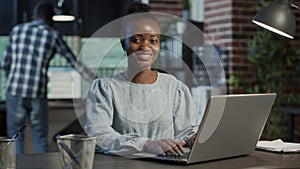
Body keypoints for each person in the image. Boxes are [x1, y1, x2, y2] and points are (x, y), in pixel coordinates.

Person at [84, 12, 201, 157]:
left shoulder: (174, 87)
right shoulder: (104, 88)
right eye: (136, 40)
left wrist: (193, 138)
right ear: (123, 43)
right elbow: (99, 135)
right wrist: (146, 145)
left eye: (153, 41)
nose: (145, 47)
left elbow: (187, 131)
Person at [1, 2, 95, 153]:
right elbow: (74, 63)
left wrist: (10, 80)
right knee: (40, 138)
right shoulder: (52, 35)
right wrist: (96, 80)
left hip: (14, 91)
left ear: (34, 16)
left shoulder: (17, 30)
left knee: (15, 137)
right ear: (50, 18)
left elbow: (6, 63)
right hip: (37, 93)